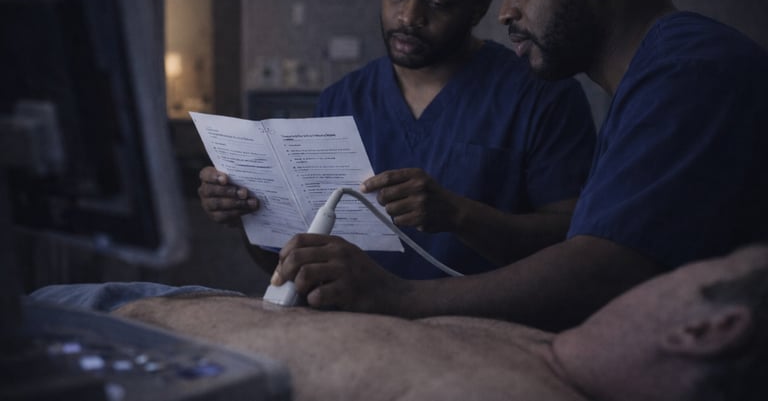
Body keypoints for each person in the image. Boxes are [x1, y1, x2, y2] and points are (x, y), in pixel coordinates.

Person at [270, 0, 768, 330]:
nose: (507, 11)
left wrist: (401, 298)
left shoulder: (692, 70)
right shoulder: (649, 83)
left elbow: (601, 268)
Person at [198, 0, 596, 279]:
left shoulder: (542, 96)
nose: (408, 16)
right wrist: (246, 218)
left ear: (479, 8)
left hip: (479, 334)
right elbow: (293, 265)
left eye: (437, 2)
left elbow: (572, 245)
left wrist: (459, 215)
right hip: (355, 333)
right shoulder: (341, 102)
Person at [95, 244, 767, 401]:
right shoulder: (552, 352)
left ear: (706, 329)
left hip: (102, 343)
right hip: (152, 302)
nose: (670, 267)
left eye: (698, 268)